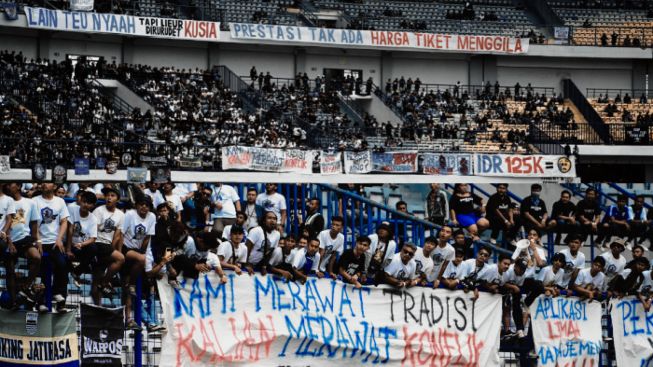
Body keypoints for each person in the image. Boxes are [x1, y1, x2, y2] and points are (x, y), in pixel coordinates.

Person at [34, 182, 70, 312]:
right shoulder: (35, 201)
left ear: (54, 186)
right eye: (42, 182)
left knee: (62, 265)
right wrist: (37, 239)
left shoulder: (60, 201)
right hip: (40, 242)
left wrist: (59, 239)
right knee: (42, 272)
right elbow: (33, 223)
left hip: (55, 242)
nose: (43, 184)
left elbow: (64, 221)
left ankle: (58, 295)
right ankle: (40, 302)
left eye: (47, 182)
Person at [121, 195, 156, 329]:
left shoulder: (152, 217)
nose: (144, 207)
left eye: (146, 205)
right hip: (126, 248)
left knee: (129, 289)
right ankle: (132, 284)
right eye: (141, 204)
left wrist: (142, 250)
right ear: (137, 205)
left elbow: (147, 237)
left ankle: (129, 319)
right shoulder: (130, 214)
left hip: (137, 251)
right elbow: (121, 233)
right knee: (142, 260)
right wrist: (119, 251)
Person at [4, 182, 40, 308]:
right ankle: (14, 302)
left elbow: (34, 224)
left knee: (36, 257)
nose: (8, 187)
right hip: (8, 240)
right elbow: (6, 223)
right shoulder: (5, 201)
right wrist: (9, 242)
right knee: (10, 271)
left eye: (11, 184)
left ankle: (26, 286)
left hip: (24, 238)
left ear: (19, 186)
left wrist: (38, 241)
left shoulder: (30, 203)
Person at [92, 186, 126, 303]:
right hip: (97, 243)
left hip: (108, 246)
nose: (109, 198)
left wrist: (114, 248)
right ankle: (105, 282)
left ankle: (99, 305)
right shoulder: (99, 210)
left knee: (97, 278)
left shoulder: (121, 215)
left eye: (112, 196)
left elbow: (118, 235)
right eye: (107, 195)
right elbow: (94, 230)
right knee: (120, 259)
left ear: (117, 199)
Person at [67, 191, 99, 289]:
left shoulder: (93, 218)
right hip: (69, 243)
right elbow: (70, 230)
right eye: (84, 201)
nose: (86, 205)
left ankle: (76, 272)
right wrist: (68, 249)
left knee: (94, 249)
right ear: (80, 201)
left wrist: (81, 244)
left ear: (93, 205)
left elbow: (93, 238)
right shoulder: (72, 209)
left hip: (81, 246)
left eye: (89, 203)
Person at [245, 211, 281, 275]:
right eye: (269, 218)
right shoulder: (256, 230)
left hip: (259, 263)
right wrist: (246, 264)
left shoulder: (277, 234)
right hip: (247, 262)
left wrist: (264, 266)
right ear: (264, 221)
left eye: (274, 219)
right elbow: (246, 248)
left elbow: (270, 251)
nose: (272, 220)